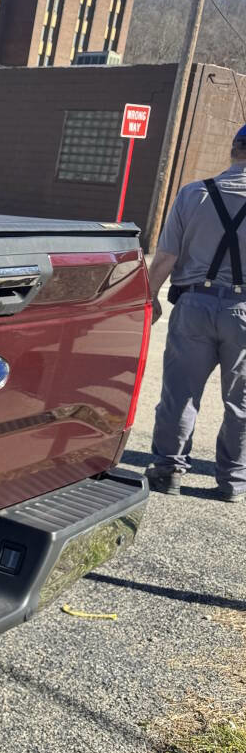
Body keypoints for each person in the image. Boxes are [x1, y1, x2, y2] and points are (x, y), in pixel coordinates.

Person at [145, 124, 246, 503]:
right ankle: (233, 482)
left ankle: (168, 470)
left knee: (180, 394)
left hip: (193, 306)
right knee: (241, 401)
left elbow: (165, 257)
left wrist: (150, 297)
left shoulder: (193, 194)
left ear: (233, 149)